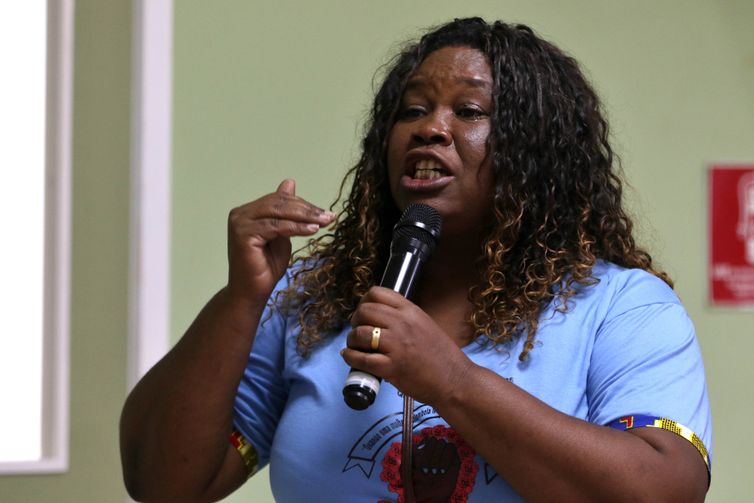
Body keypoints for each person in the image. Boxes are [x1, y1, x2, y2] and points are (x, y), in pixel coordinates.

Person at [120, 17, 712, 502]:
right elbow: (163, 482)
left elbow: (663, 490)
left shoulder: (619, 305)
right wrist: (241, 298)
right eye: (412, 110)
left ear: (539, 153)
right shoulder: (313, 297)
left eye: (470, 112)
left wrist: (453, 381)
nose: (431, 128)